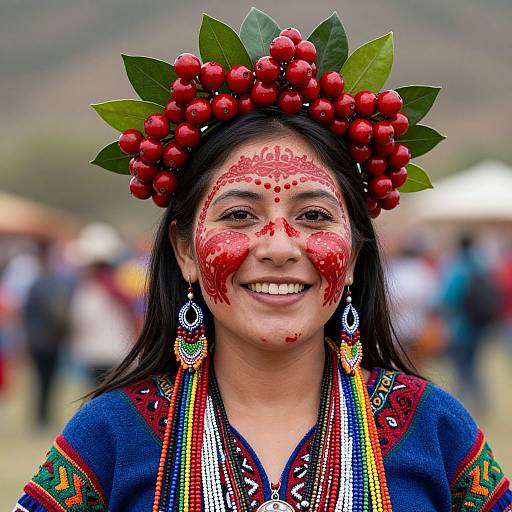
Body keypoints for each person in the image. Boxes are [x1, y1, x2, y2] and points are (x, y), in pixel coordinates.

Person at [14, 13, 511, 512]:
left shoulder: (435, 428)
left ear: (356, 255)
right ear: (186, 250)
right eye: (239, 215)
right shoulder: (110, 436)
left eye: (314, 215)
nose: (278, 246)